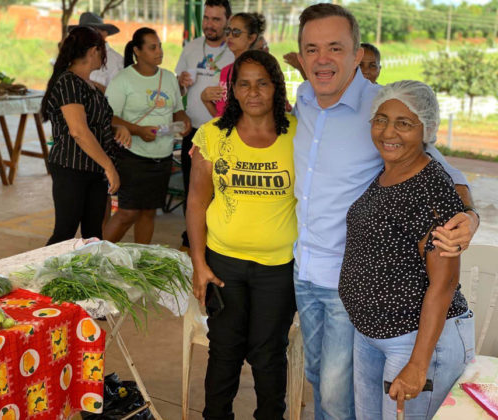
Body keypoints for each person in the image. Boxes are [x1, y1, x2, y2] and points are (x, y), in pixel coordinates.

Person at [292, 4, 479, 419]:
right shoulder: (303, 97)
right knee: (320, 381)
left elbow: (449, 178)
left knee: (340, 401)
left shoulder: (385, 107)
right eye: (312, 49)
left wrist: (470, 218)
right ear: (301, 56)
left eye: (335, 48)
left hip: (349, 286)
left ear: (358, 55)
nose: (323, 59)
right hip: (304, 270)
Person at [339, 80, 475, 419]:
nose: (389, 132)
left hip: (414, 341)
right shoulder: (387, 172)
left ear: (426, 129)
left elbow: (443, 284)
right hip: (371, 334)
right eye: (381, 119)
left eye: (404, 123)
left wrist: (417, 364)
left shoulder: (432, 189)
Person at [187, 50, 298, 420]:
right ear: (233, 90)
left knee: (268, 353)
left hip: (278, 267)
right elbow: (196, 204)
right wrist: (199, 263)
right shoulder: (212, 136)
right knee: (224, 350)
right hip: (223, 264)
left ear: (276, 88)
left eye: (262, 83)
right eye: (245, 84)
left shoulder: (297, 135)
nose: (253, 93)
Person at [41, 26, 130, 245]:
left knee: (93, 235)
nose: (104, 56)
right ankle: (41, 277)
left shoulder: (89, 84)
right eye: (102, 50)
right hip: (72, 167)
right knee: (65, 233)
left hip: (93, 168)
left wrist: (116, 129)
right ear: (93, 51)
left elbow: (97, 121)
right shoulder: (68, 82)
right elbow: (78, 131)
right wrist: (109, 166)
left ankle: (87, 278)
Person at [103, 28, 191, 244]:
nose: (159, 51)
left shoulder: (169, 78)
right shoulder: (123, 80)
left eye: (159, 46)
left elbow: (177, 109)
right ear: (137, 51)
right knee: (127, 213)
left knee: (148, 212)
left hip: (161, 157)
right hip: (133, 156)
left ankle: (142, 260)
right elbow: (107, 117)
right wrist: (138, 130)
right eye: (152, 47)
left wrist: (184, 119)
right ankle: (94, 257)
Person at [175, 0, 234, 251]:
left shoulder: (234, 51)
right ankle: (192, 241)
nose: (209, 24)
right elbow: (177, 86)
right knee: (193, 192)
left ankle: (218, 242)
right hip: (195, 131)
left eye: (216, 19)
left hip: (225, 132)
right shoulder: (191, 47)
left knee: (222, 192)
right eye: (206, 18)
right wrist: (180, 81)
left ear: (228, 22)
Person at [201, 12, 266, 117]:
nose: (230, 36)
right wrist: (205, 100)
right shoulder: (226, 71)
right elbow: (221, 117)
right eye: (228, 31)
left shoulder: (261, 71)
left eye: (236, 32)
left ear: (251, 38)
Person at [69, 12, 123, 92]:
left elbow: (120, 97)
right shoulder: (73, 55)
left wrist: (92, 85)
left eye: (92, 31)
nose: (87, 35)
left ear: (104, 33)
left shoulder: (116, 61)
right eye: (83, 32)